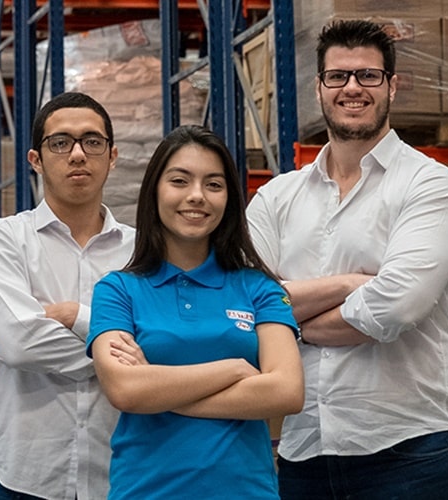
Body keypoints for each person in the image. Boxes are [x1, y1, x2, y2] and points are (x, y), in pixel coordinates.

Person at [246, 19, 448, 499]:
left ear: (392, 86)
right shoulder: (275, 199)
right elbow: (244, 309)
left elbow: (396, 306)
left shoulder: (429, 184)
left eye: (368, 76)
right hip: (304, 449)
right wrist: (352, 284)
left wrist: (286, 322)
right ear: (319, 88)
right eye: (338, 76)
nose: (353, 88)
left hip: (412, 449)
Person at [87, 124, 304, 499]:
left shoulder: (259, 288)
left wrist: (158, 388)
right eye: (180, 181)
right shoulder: (118, 290)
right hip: (147, 491)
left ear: (229, 199)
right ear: (155, 190)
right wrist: (233, 369)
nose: (197, 196)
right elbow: (124, 389)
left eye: (214, 185)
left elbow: (286, 392)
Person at [0, 91, 136, 500]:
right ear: (36, 160)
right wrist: (124, 354)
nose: (78, 154)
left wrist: (75, 316)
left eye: (92, 142)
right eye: (61, 143)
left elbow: (162, 344)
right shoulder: (3, 239)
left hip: (119, 473)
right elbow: (20, 344)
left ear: (112, 156)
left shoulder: (143, 251)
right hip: (27, 477)